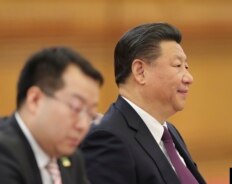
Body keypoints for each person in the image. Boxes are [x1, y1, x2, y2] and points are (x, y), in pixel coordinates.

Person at [80, 23, 206, 184]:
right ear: (140, 71)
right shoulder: (108, 138)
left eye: (186, 66)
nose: (189, 78)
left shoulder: (169, 132)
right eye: (178, 65)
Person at [0, 46, 103, 184]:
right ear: (35, 100)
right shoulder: (4, 153)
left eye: (91, 115)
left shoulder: (72, 158)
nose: (83, 125)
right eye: (76, 108)